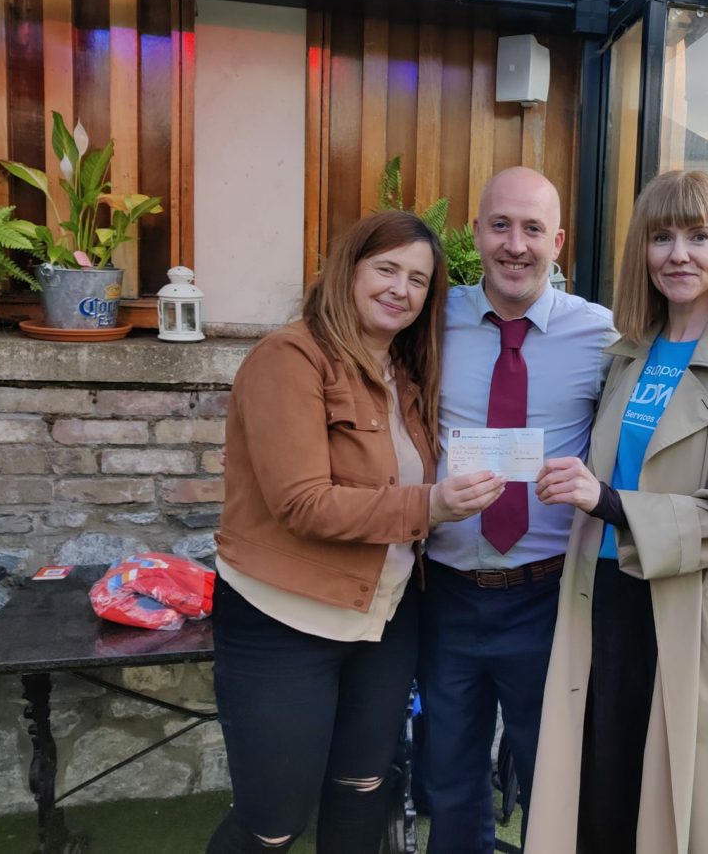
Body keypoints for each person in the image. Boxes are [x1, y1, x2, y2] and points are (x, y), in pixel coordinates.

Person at [207, 211, 504, 853]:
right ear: (350, 269)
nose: (401, 289)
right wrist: (431, 505)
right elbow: (303, 503)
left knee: (363, 791)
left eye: (418, 280)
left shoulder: (405, 373)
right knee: (273, 822)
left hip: (384, 618)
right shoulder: (288, 357)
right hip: (284, 621)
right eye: (387, 269)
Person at [527, 170, 708, 853]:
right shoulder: (630, 352)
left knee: (681, 809)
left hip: (690, 611)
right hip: (604, 596)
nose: (679, 254)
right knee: (602, 793)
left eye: (699, 236)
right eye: (662, 236)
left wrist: (606, 500)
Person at [419, 166, 616, 853]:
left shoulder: (602, 336)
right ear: (476, 234)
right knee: (447, 778)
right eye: (500, 225)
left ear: (557, 241)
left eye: (533, 228)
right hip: (444, 596)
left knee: (554, 780)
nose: (515, 244)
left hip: (546, 599)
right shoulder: (428, 321)